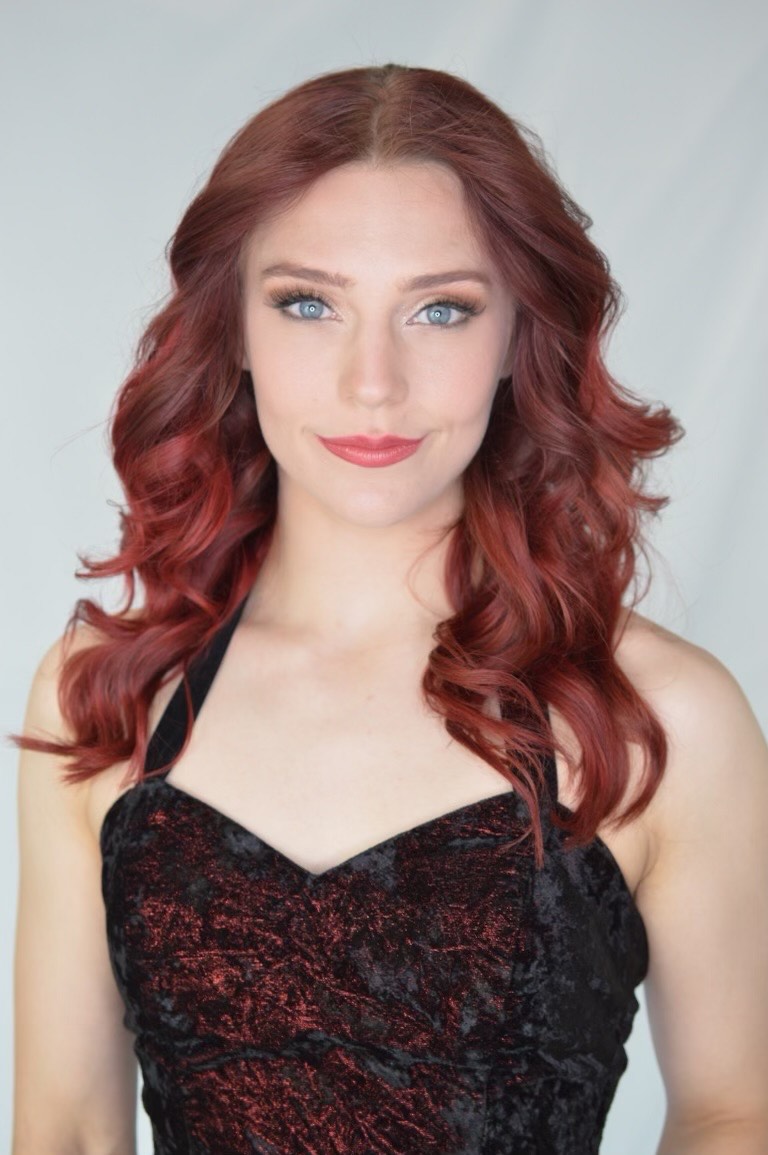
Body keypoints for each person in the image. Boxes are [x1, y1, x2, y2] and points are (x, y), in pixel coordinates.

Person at [10, 61, 768, 1155]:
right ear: (234, 327)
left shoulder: (663, 716)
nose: (374, 381)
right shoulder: (110, 693)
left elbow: (737, 1113)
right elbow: (68, 1130)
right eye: (309, 304)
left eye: (441, 309)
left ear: (518, 336)